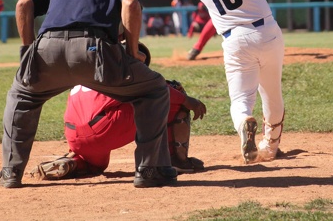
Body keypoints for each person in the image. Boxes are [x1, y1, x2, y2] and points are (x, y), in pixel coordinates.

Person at [0, 0, 176, 189]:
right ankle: (150, 169)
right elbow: (130, 4)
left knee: (22, 97)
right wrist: (131, 52)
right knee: (155, 89)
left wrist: (28, 53)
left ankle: (10, 172)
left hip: (47, 49)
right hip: (95, 51)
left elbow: (24, 3)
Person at [183, 0, 285, 164]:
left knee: (240, 100)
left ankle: (243, 122)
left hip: (234, 40)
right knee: (271, 93)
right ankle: (270, 147)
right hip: (267, 32)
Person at [31, 48, 207, 180]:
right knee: (168, 95)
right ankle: (176, 159)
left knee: (96, 166)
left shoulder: (89, 72)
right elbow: (161, 91)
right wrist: (189, 101)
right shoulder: (124, 69)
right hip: (104, 129)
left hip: (74, 136)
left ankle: (75, 161)